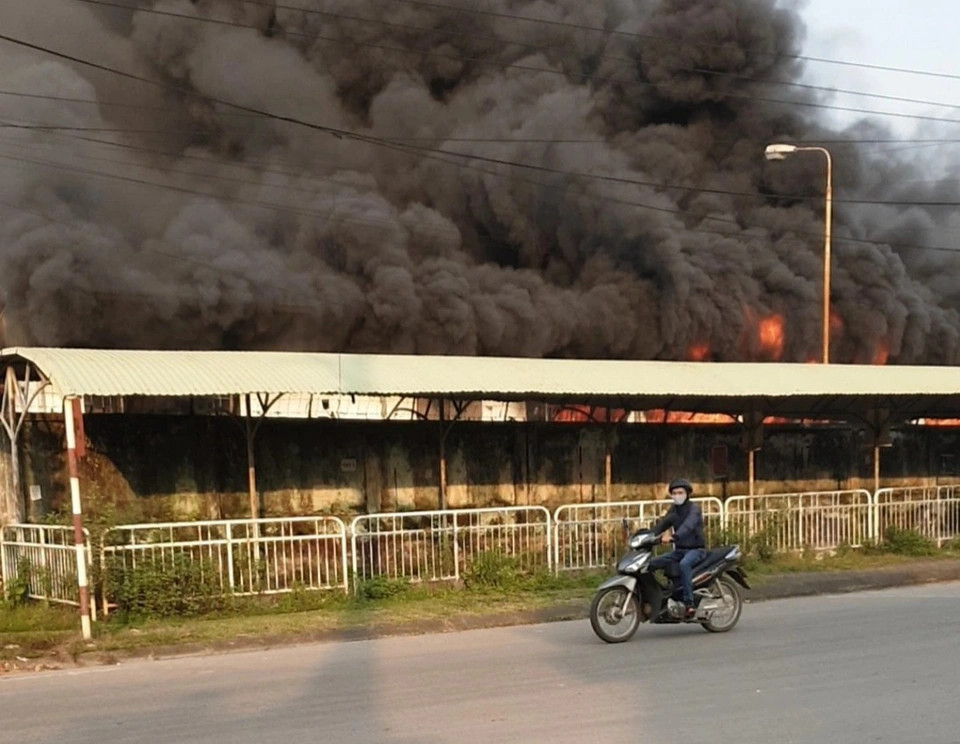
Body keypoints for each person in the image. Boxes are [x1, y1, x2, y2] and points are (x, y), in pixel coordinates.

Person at [649, 478, 706, 619]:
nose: (677, 495)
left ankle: (689, 604)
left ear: (687, 493)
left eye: (680, 492)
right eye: (674, 493)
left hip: (696, 550)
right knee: (651, 563)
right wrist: (645, 536)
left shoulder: (694, 509)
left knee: (684, 564)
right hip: (679, 550)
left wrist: (674, 537)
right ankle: (662, 595)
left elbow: (689, 526)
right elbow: (662, 525)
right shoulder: (674, 510)